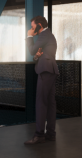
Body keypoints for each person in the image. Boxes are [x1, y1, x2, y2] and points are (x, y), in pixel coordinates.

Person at [25, 16, 59, 145]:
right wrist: (36, 57)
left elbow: (32, 50)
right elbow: (39, 54)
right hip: (50, 70)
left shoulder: (44, 35)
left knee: (41, 103)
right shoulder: (48, 35)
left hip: (46, 71)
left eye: (33, 27)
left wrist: (29, 36)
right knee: (50, 104)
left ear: (39, 25)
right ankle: (50, 134)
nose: (32, 29)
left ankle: (39, 135)